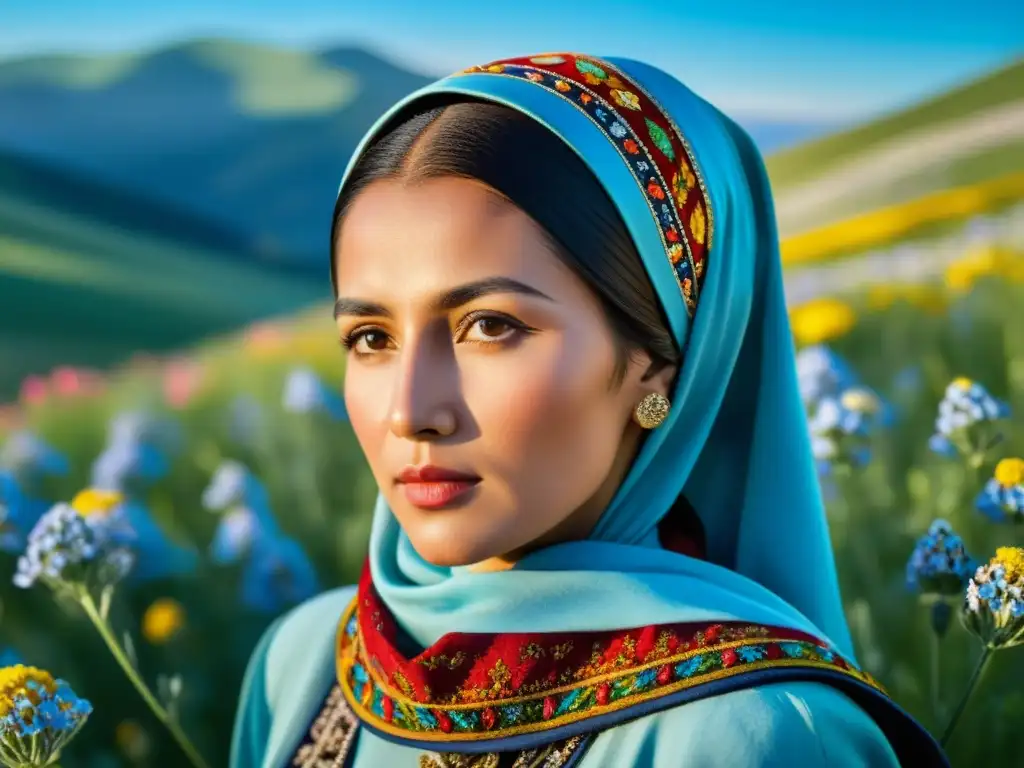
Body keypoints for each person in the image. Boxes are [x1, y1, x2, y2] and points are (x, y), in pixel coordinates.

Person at [230, 52, 947, 767]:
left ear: (660, 358)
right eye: (371, 337)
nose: (410, 411)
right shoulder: (302, 667)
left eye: (489, 326)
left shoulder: (755, 733)